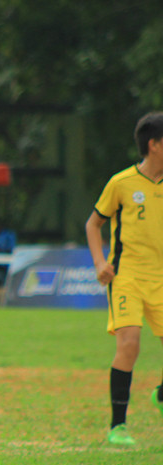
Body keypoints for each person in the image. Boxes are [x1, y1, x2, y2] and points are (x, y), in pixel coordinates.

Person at [84, 111, 163, 446]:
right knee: (129, 344)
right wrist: (100, 263)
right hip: (127, 276)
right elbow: (93, 224)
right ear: (154, 145)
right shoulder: (122, 183)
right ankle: (118, 427)